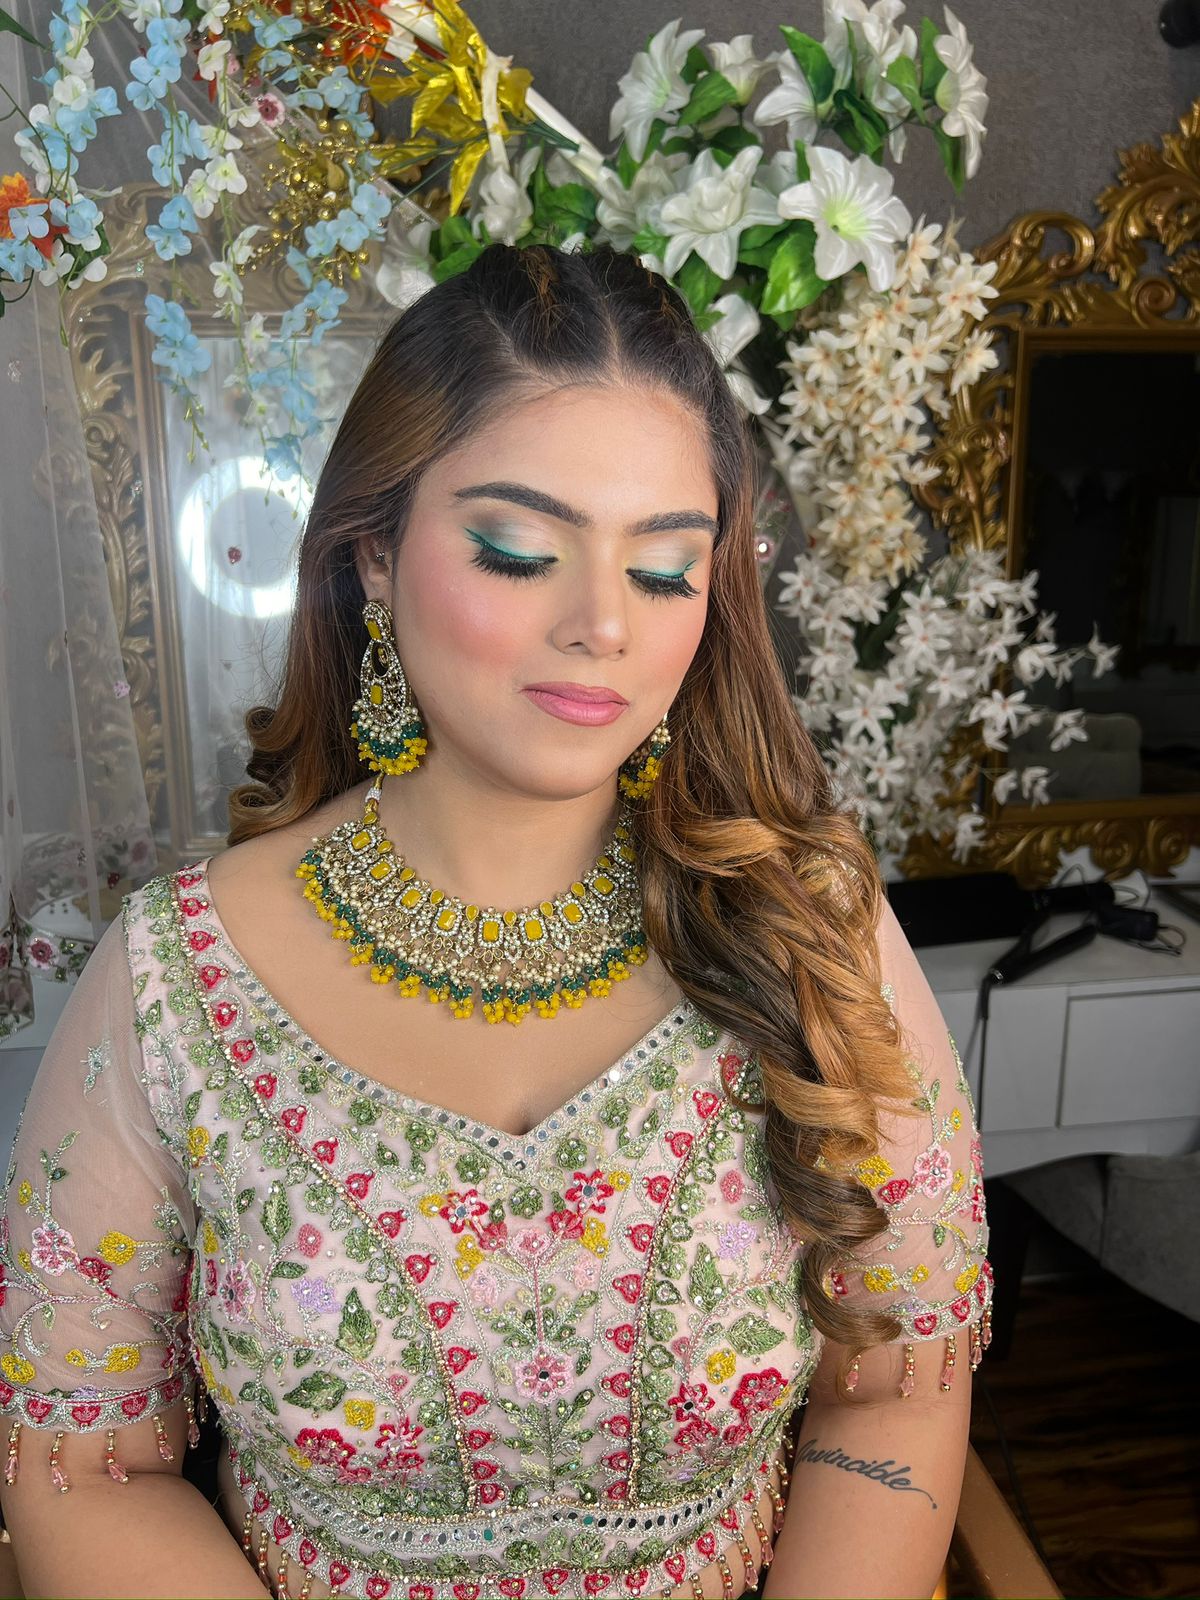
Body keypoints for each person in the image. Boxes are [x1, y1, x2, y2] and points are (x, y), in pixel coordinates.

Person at [0, 242, 992, 1600]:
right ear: (371, 556)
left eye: (665, 572)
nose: (602, 626)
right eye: (520, 552)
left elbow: (894, 1388)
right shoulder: (177, 979)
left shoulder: (811, 930)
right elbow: (88, 1461)